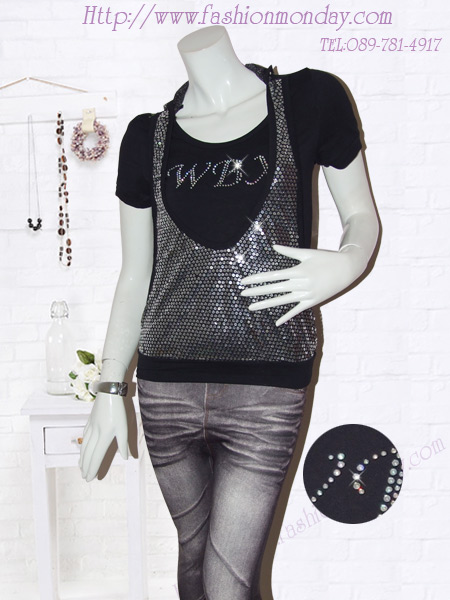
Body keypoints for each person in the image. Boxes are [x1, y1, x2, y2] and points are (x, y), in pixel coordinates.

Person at [79, 24, 379, 600]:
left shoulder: (310, 100)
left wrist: (347, 261)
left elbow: (361, 217)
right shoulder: (146, 137)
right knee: (194, 560)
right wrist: (110, 388)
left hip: (267, 387)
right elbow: (135, 273)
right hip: (165, 387)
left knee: (226, 580)